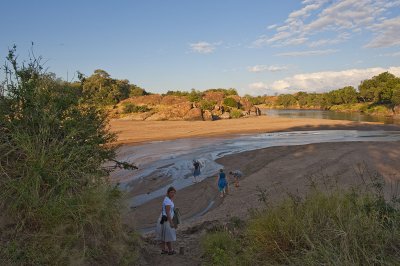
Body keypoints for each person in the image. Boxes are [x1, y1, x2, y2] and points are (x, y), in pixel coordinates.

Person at [156, 186, 177, 255]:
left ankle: (164, 250)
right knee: (168, 236)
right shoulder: (167, 201)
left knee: (164, 235)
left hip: (163, 218)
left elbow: (166, 210)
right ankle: (170, 251)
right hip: (166, 220)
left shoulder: (168, 199)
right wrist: (171, 223)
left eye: (174, 192)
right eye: (171, 192)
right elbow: (168, 213)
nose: (173, 194)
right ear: (168, 193)